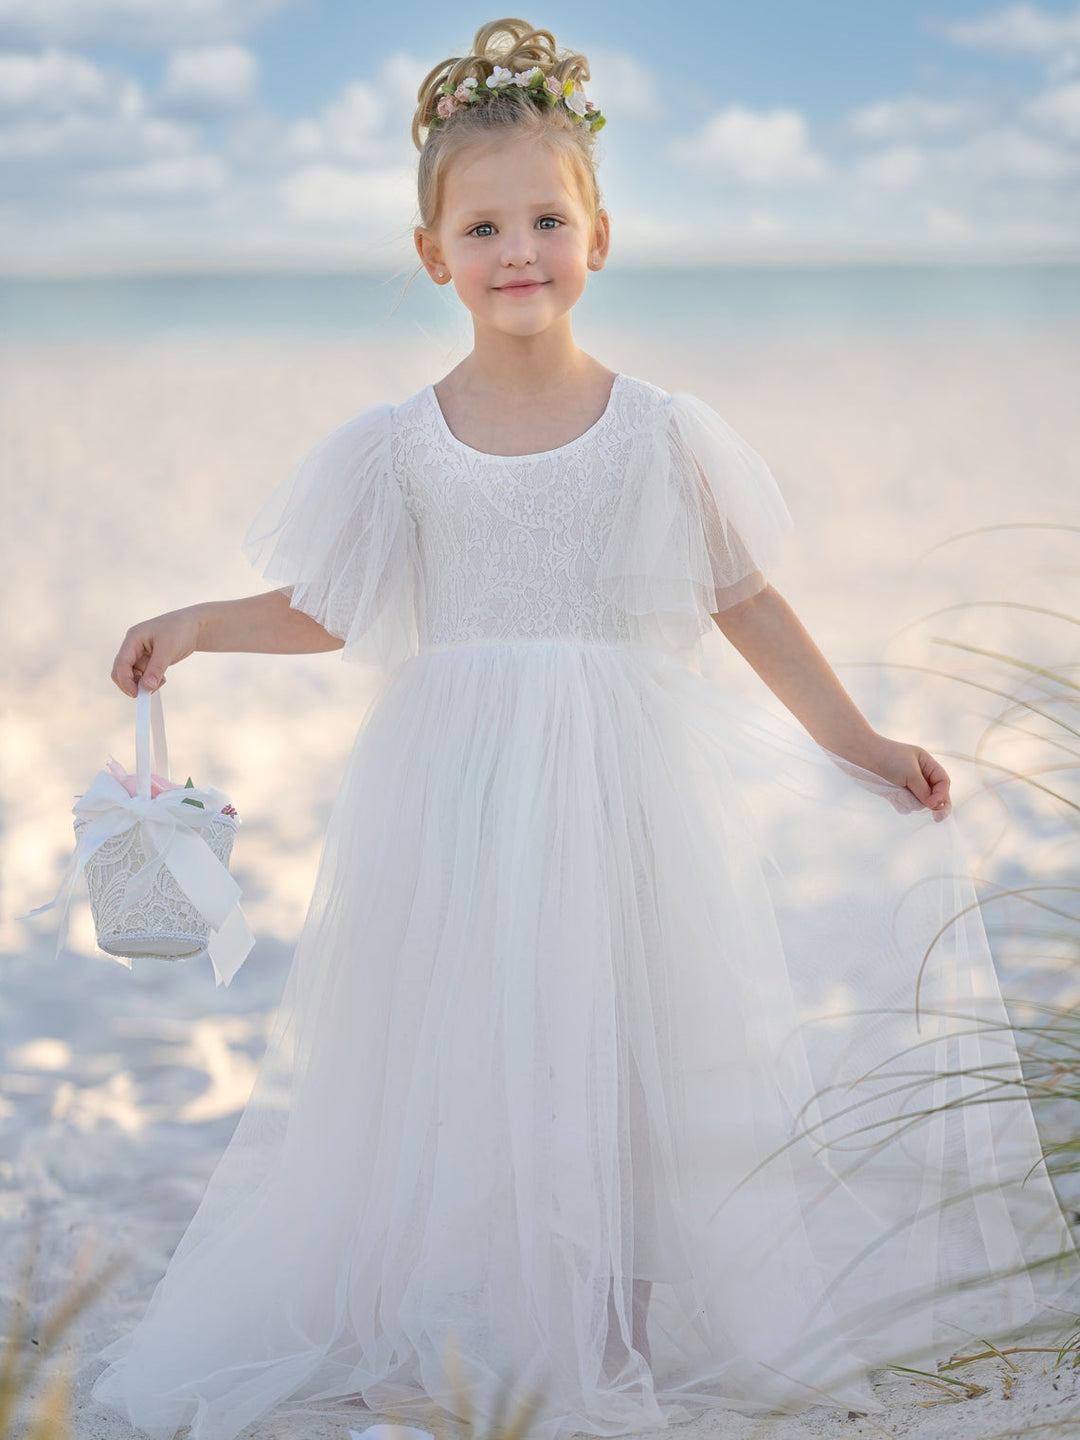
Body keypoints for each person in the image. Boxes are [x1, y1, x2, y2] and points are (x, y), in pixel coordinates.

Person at [90, 17, 1080, 1440]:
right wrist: (196, 622)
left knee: (629, 1037)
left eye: (547, 220)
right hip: (461, 788)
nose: (519, 252)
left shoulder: (661, 431)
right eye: (484, 225)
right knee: (464, 1041)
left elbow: (745, 601)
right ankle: (462, 1300)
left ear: (599, 237)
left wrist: (853, 739)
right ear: (434, 254)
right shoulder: (400, 440)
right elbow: (332, 608)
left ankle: (616, 1308)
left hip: (628, 787)